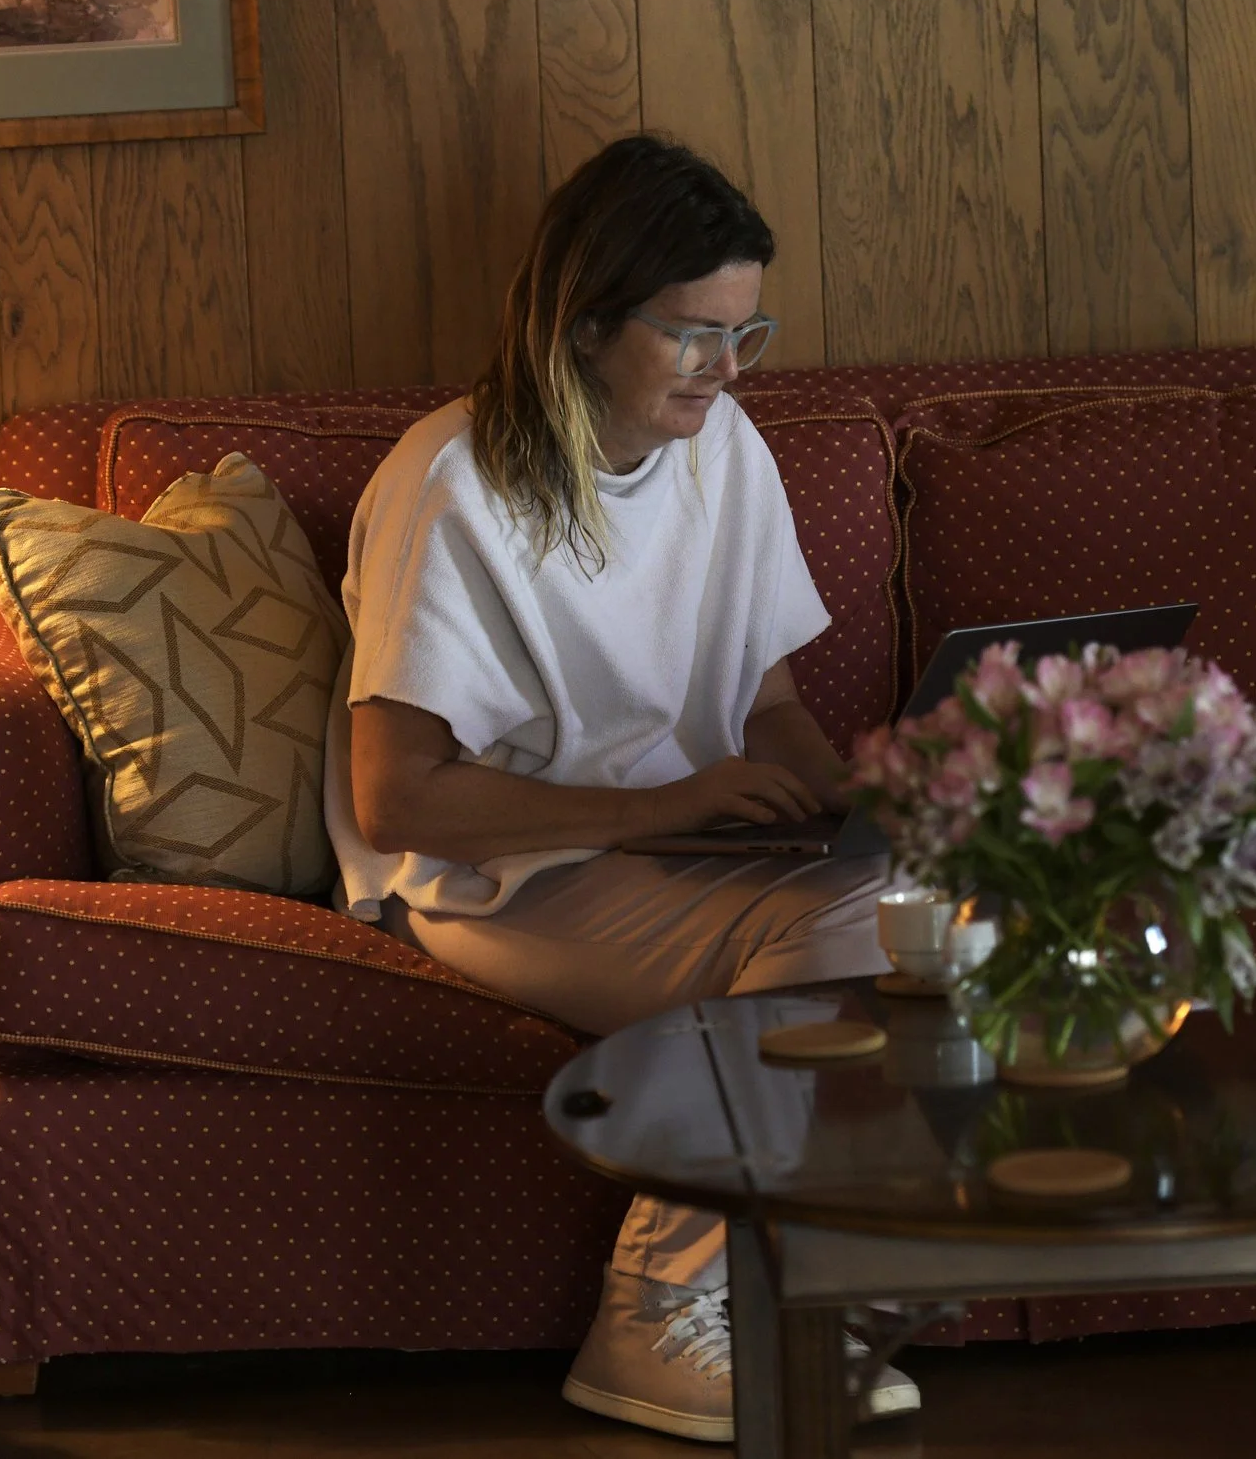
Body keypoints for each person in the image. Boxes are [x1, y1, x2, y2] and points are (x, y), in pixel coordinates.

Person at [322, 135, 911, 1442]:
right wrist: (658, 810)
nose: (729, 368)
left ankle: (790, 1298)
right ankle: (657, 1310)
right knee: (840, 931)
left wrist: (874, 801)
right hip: (494, 875)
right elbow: (398, 800)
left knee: (923, 903)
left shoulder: (725, 449)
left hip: (681, 849)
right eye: (693, 334)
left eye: (748, 330)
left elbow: (764, 706)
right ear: (586, 324)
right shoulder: (455, 480)